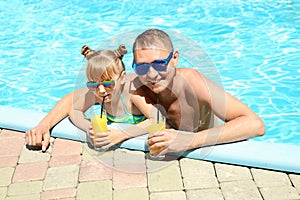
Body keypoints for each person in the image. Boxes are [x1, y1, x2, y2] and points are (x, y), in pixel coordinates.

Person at [130, 29, 266, 157]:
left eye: (159, 64)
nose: (151, 75)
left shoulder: (193, 83)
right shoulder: (139, 87)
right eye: (142, 67)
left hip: (206, 152)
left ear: (175, 58)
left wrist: (190, 140)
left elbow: (255, 125)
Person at [26, 44, 149, 151]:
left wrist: (120, 135)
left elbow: (158, 119)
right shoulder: (97, 92)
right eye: (93, 84)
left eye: (108, 83)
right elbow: (74, 108)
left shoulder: (132, 93)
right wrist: (88, 127)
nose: (101, 90)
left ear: (122, 78)